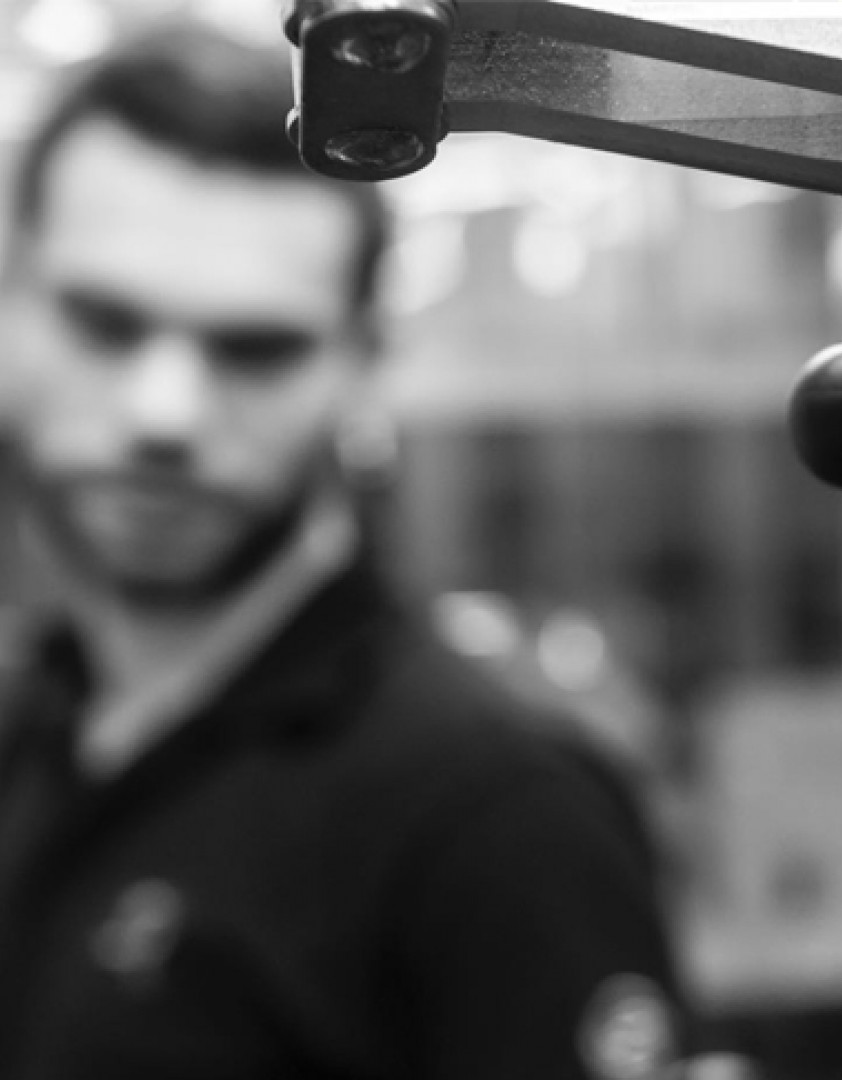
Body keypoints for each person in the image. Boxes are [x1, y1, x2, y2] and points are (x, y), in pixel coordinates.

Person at [0, 25, 684, 1080]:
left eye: (255, 348)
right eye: (105, 323)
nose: (164, 412)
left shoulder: (493, 814)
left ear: (365, 367)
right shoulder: (33, 731)